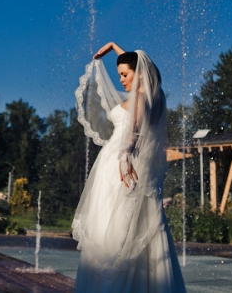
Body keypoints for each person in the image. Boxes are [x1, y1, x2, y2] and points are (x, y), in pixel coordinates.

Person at [72, 42, 186, 292]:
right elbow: (140, 64)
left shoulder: (139, 98)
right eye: (119, 75)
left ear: (140, 73)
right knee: (140, 224)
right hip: (134, 165)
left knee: (113, 230)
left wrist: (124, 158)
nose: (121, 80)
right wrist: (114, 48)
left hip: (119, 165)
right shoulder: (157, 95)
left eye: (125, 75)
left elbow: (132, 132)